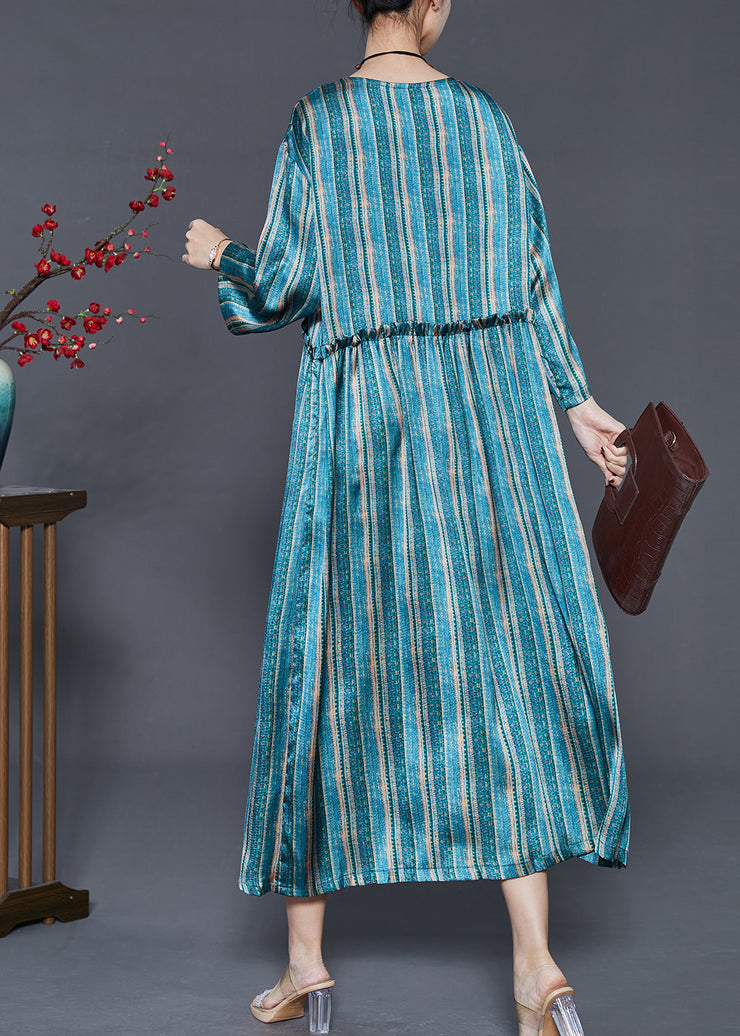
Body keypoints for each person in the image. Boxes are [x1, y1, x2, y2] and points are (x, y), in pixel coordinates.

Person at [182, 1, 630, 1033]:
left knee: (325, 661)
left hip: (365, 420)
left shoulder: (319, 120)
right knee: (500, 663)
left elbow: (287, 286)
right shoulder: (484, 118)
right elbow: (531, 278)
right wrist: (576, 407)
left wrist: (224, 256)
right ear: (431, 4)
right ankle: (537, 968)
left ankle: (308, 967)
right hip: (491, 418)